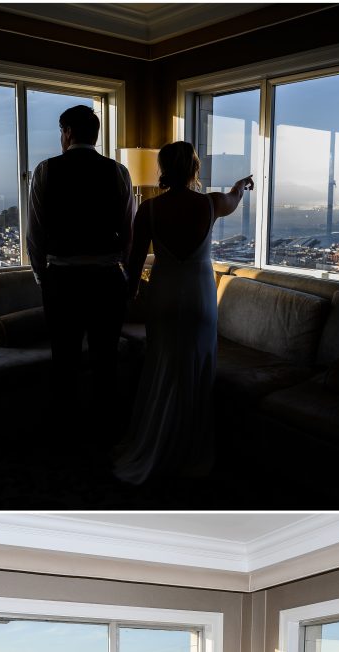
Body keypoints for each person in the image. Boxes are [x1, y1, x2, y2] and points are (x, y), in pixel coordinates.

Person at [114, 142, 253, 485]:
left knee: (163, 364)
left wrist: (130, 293)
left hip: (163, 296)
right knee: (196, 367)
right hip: (199, 298)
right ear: (194, 169)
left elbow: (133, 266)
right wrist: (241, 185)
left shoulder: (148, 210)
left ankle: (156, 441)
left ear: (163, 169)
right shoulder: (211, 203)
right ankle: (191, 448)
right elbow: (234, 198)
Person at [27, 104, 135, 436]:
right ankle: (105, 428)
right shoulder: (118, 172)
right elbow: (128, 231)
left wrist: (43, 275)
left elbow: (35, 234)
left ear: (68, 133)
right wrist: (126, 275)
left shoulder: (46, 171)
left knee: (64, 359)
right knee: (106, 360)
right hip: (106, 280)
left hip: (63, 281)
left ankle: (65, 429)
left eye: (61, 132)